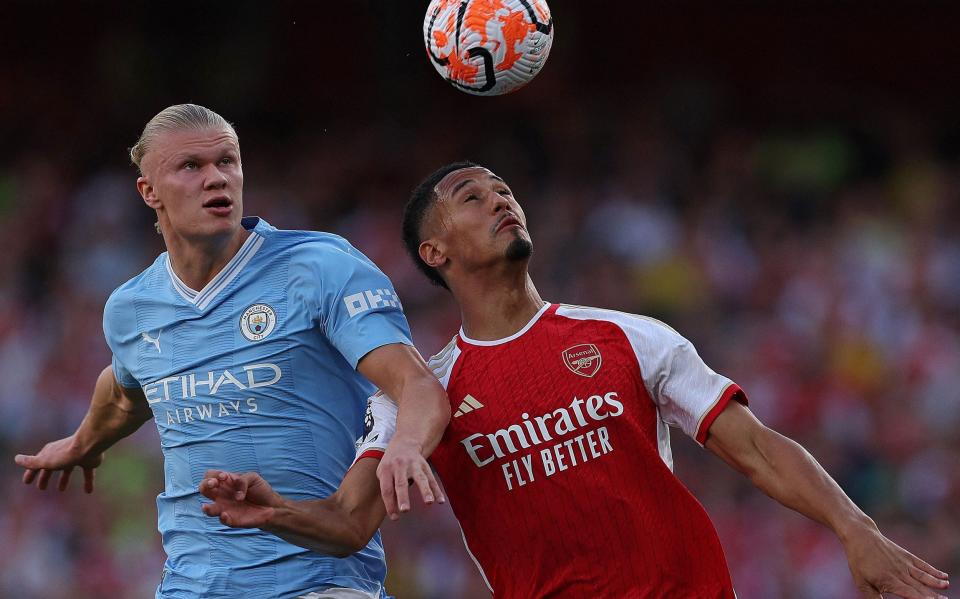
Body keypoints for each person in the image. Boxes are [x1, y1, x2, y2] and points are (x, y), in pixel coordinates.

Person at [198, 162, 951, 598]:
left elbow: (755, 448)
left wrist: (857, 529)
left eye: (503, 189)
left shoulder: (628, 336)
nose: (499, 198)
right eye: (472, 195)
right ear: (435, 251)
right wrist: (274, 513)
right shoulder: (420, 393)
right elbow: (349, 521)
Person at [13, 104, 451, 599]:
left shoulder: (318, 268)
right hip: (190, 587)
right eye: (191, 167)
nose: (216, 178)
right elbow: (124, 391)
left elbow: (415, 383)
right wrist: (80, 444)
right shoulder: (132, 307)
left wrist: (407, 446)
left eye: (227, 162)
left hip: (320, 584)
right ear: (148, 191)